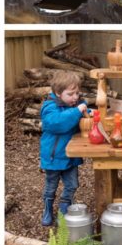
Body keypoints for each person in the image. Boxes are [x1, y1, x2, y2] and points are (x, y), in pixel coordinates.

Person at [39, 70, 87, 227]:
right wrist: (78, 110)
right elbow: (58, 123)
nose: (75, 97)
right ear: (58, 93)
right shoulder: (50, 108)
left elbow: (85, 114)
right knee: (51, 187)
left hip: (70, 157)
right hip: (53, 157)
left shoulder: (72, 106)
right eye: (70, 94)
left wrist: (90, 113)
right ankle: (47, 210)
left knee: (72, 185)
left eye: (77, 93)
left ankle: (63, 209)